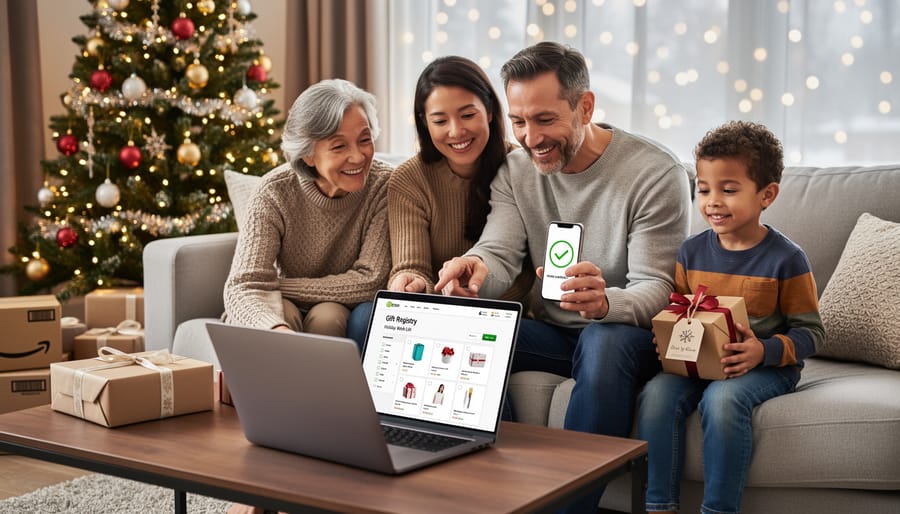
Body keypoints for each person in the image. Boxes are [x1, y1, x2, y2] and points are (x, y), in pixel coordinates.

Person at [434, 42, 692, 511]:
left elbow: (660, 287)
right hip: (553, 333)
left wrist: (606, 303)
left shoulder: (654, 173)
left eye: (545, 119)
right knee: (445, 327)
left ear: (585, 106)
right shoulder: (515, 171)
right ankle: (490, 495)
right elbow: (500, 251)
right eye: (518, 121)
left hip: (627, 337)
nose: (530, 137)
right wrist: (475, 268)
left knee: (603, 341)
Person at [636, 121, 825, 514]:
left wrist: (764, 352)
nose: (713, 201)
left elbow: (812, 332)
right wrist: (668, 336)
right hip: (700, 363)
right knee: (656, 395)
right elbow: (680, 309)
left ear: (766, 195)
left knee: (722, 402)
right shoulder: (690, 252)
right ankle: (658, 506)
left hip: (765, 367)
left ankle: (718, 509)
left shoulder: (787, 259)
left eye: (729, 190)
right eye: (704, 190)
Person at [223, 78, 390, 352]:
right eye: (339, 146)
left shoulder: (384, 185)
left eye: (364, 140)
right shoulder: (274, 191)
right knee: (279, 315)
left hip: (338, 306)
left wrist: (278, 286)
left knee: (328, 317)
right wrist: (276, 329)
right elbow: (243, 285)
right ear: (308, 154)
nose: (358, 157)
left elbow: (372, 280)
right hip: (285, 307)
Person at [387, 55, 532, 301]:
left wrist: (475, 296)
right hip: (436, 307)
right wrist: (412, 283)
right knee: (363, 319)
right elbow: (411, 266)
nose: (456, 131)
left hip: (504, 313)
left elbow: (524, 267)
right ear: (424, 122)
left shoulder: (521, 168)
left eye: (467, 115)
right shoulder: (409, 180)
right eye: (440, 121)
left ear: (489, 111)